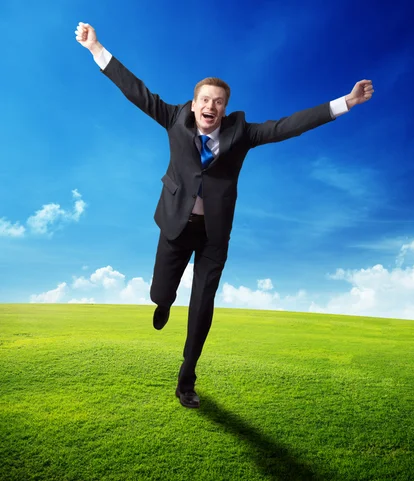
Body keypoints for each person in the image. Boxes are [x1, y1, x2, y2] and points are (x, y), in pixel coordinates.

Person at [75, 22, 374, 408]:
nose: (210, 107)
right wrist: (96, 47)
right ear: (194, 103)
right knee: (159, 291)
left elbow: (287, 126)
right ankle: (164, 302)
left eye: (218, 101)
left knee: (202, 304)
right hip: (175, 224)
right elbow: (135, 90)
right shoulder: (173, 119)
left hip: (214, 234)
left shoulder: (242, 134)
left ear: (224, 108)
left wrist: (344, 103)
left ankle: (186, 378)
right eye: (205, 100)